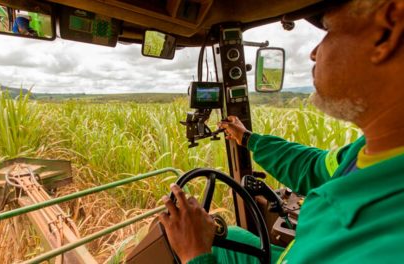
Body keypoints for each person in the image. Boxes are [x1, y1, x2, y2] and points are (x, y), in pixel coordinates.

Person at [159, 0, 404, 263]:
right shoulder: (367, 152)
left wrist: (194, 255)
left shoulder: (388, 249)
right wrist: (247, 138)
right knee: (235, 238)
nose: (313, 52)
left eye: (329, 31)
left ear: (387, 32)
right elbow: (312, 166)